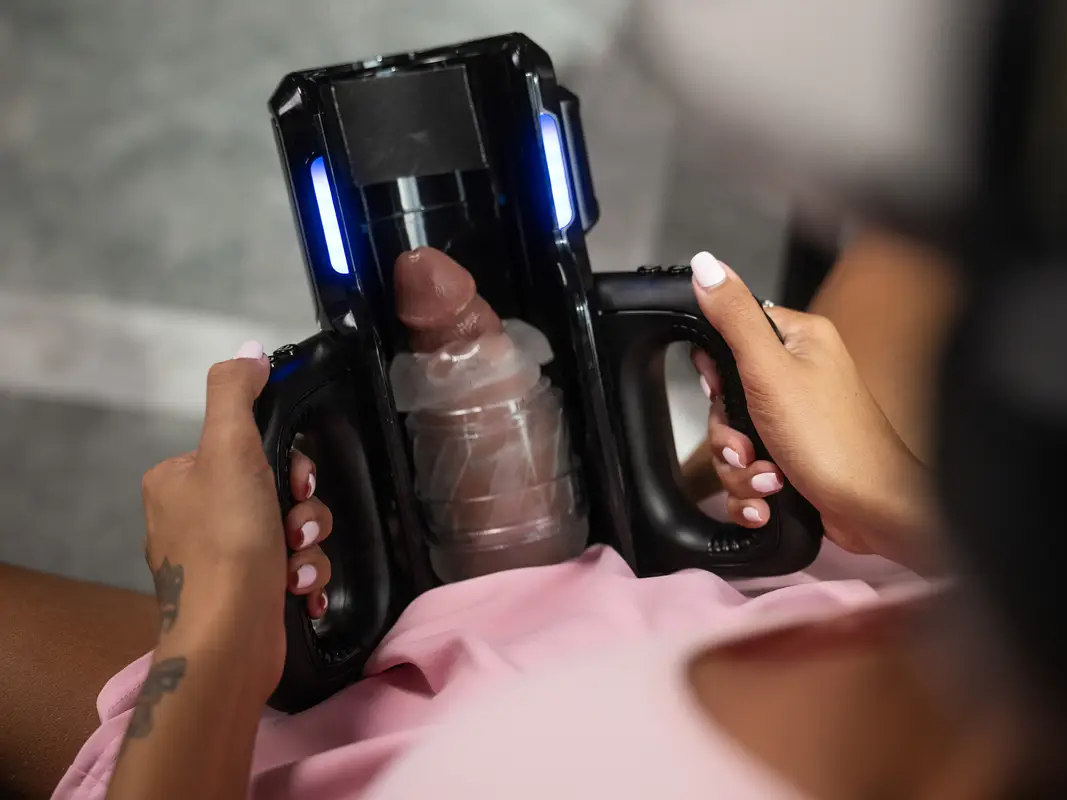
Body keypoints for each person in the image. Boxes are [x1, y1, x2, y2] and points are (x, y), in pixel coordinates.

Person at [0, 227, 1008, 799]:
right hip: (918, 631)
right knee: (921, 242)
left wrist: (212, 636)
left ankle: (528, 592)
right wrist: (902, 502)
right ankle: (552, 586)